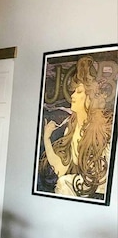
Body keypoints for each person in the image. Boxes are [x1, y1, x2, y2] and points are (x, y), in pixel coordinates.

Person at [39, 55, 112, 199]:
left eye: (78, 92)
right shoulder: (70, 128)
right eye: (73, 91)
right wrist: (47, 139)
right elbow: (60, 170)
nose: (72, 96)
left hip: (98, 193)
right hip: (80, 191)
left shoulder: (101, 130)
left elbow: (100, 179)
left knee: (64, 183)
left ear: (89, 98)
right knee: (63, 182)